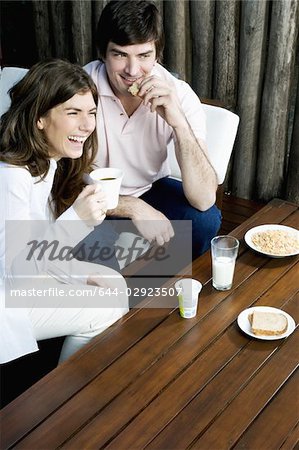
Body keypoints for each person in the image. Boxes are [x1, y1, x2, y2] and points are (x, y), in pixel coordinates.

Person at [0, 59, 128, 364]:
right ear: (40, 118)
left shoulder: (45, 162)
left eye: (91, 113)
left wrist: (78, 276)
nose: (87, 125)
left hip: (24, 279)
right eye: (73, 113)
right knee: (105, 306)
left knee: (113, 283)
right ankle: (63, 402)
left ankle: (75, 376)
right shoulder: (11, 177)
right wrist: (76, 221)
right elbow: (15, 276)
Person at [84, 0, 221, 259]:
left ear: (157, 54)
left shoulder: (178, 94)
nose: (133, 71)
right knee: (96, 256)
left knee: (204, 221)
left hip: (150, 188)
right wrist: (133, 208)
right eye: (120, 54)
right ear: (103, 53)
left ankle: (160, 288)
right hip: (90, 197)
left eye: (144, 55)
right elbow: (60, 182)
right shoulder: (79, 90)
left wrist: (178, 122)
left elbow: (204, 198)